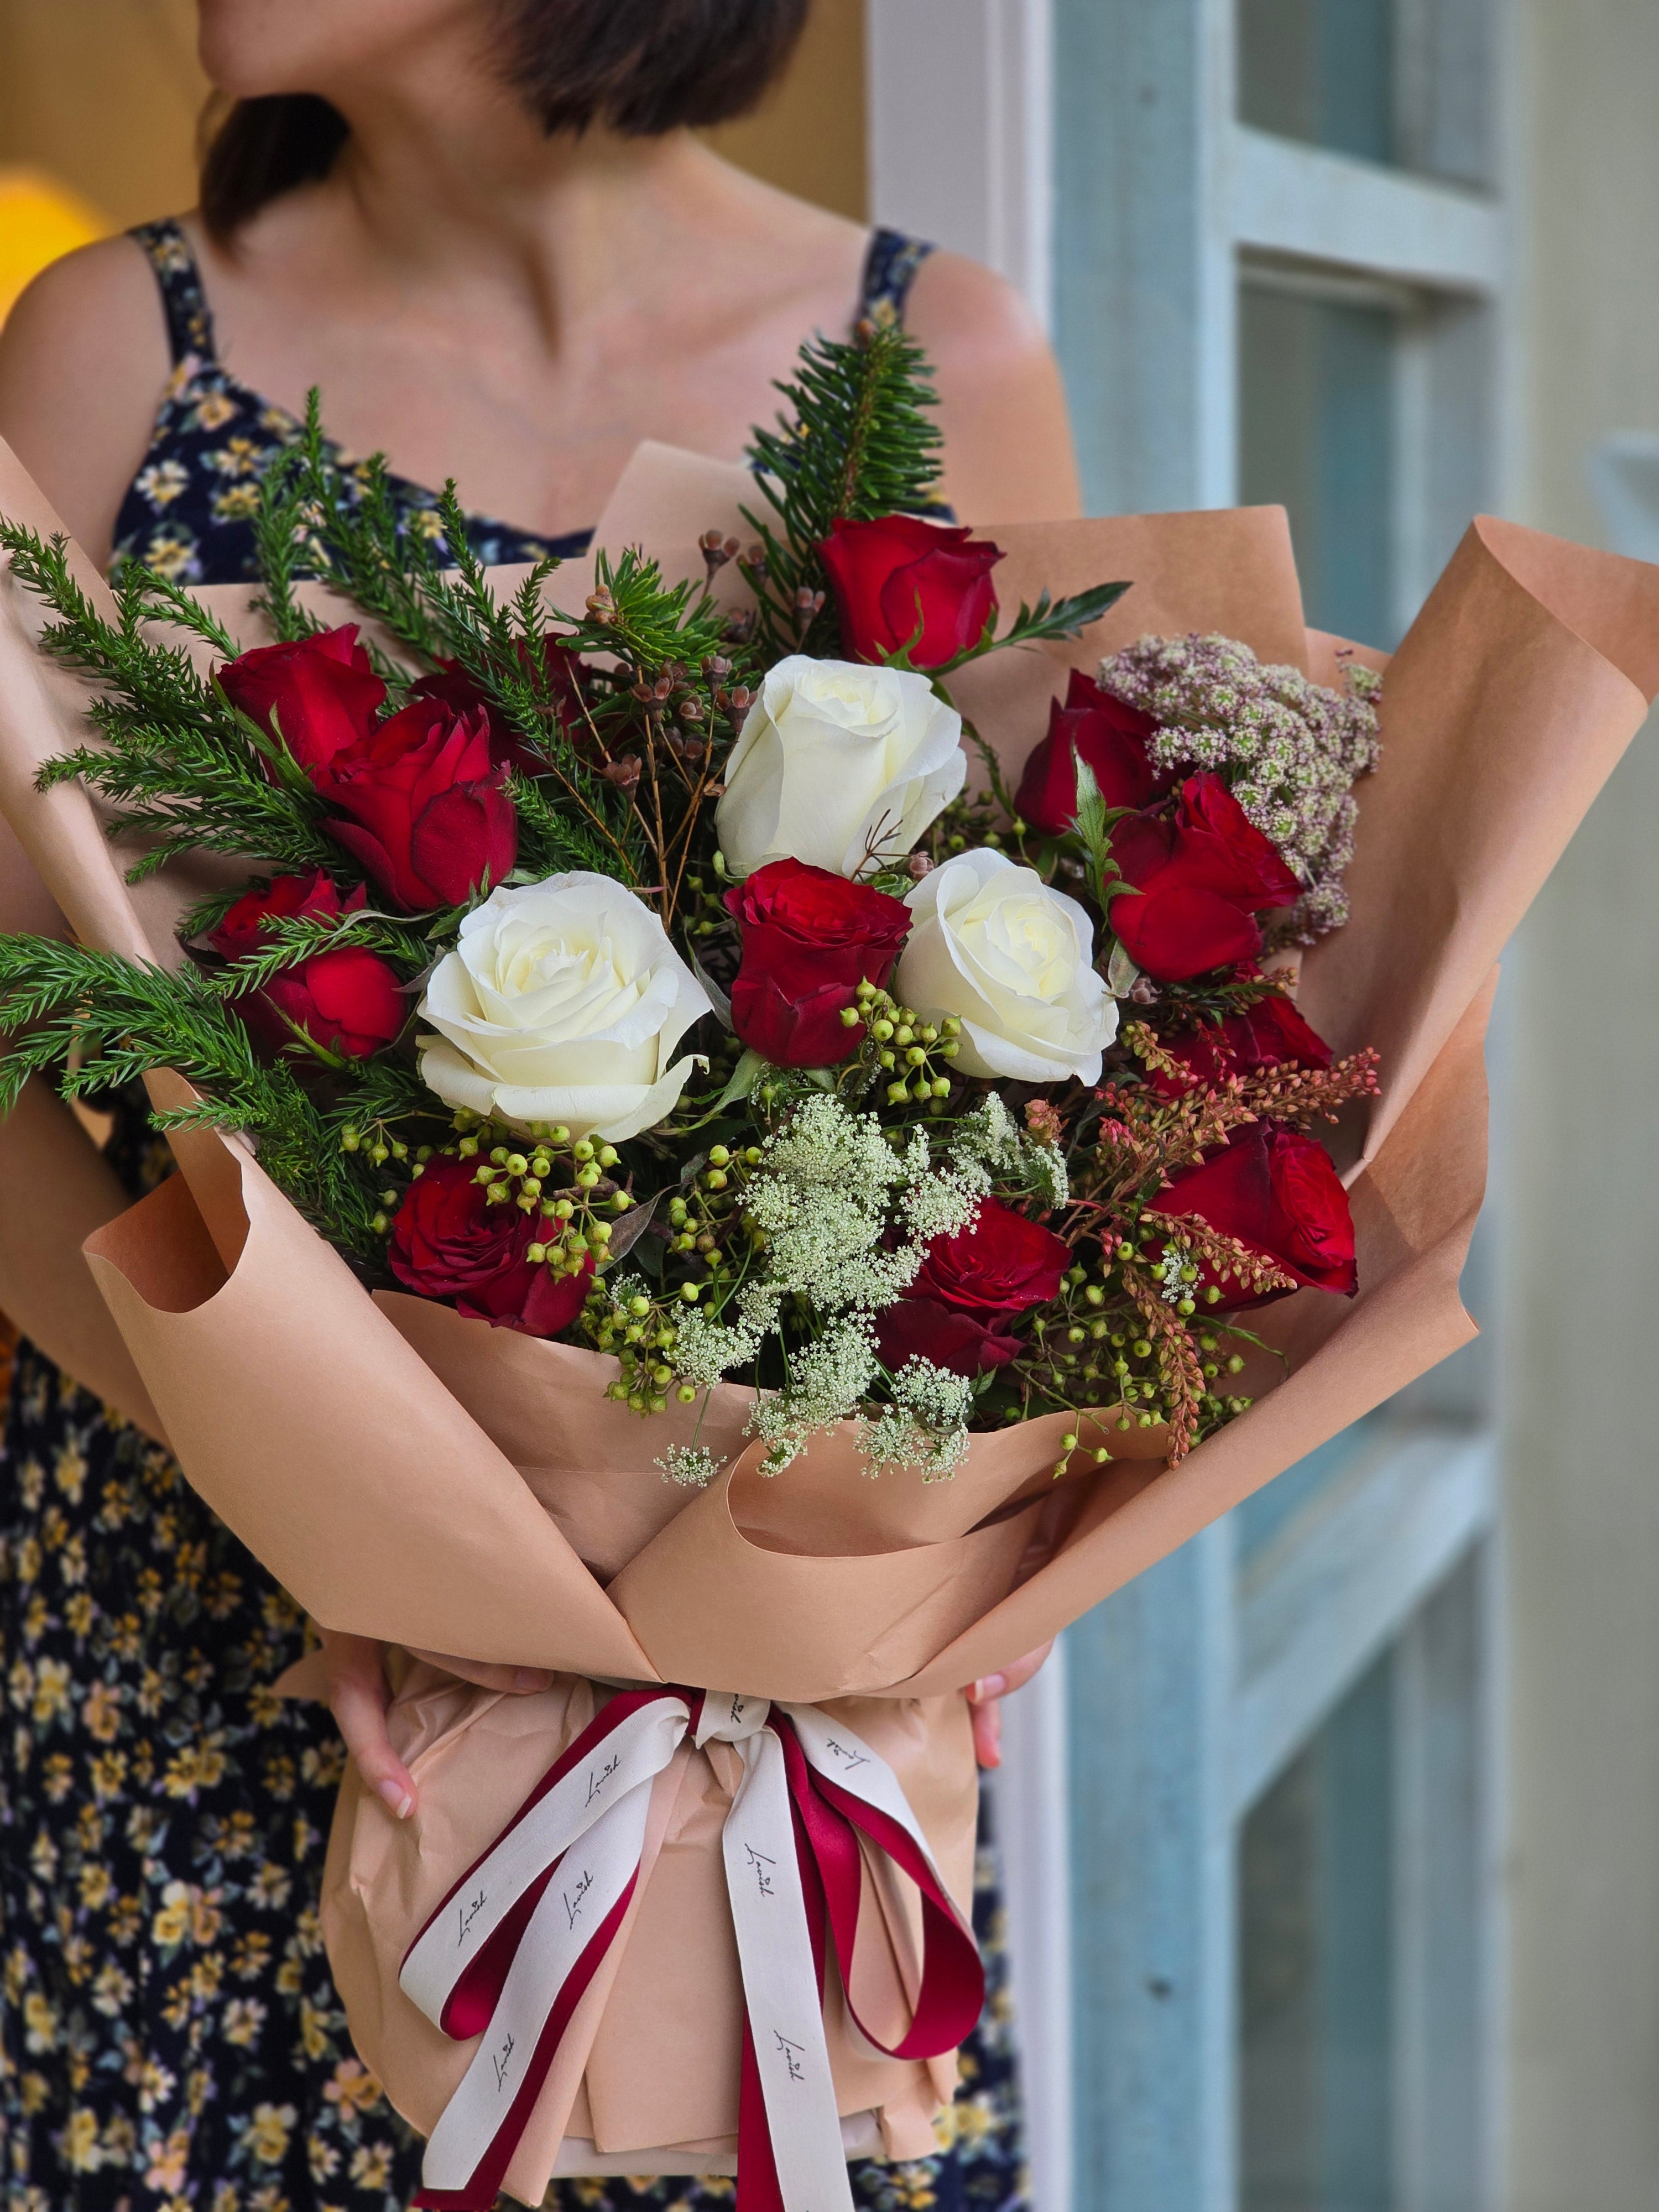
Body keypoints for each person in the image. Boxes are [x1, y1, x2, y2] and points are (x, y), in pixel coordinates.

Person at [0, 3, 1074, 2206]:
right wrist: (352, 1532)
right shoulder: (119, 340)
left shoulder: (939, 349)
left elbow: (1077, 1070)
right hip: (204, 1623)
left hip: (752, 1710)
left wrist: (993, 1541)